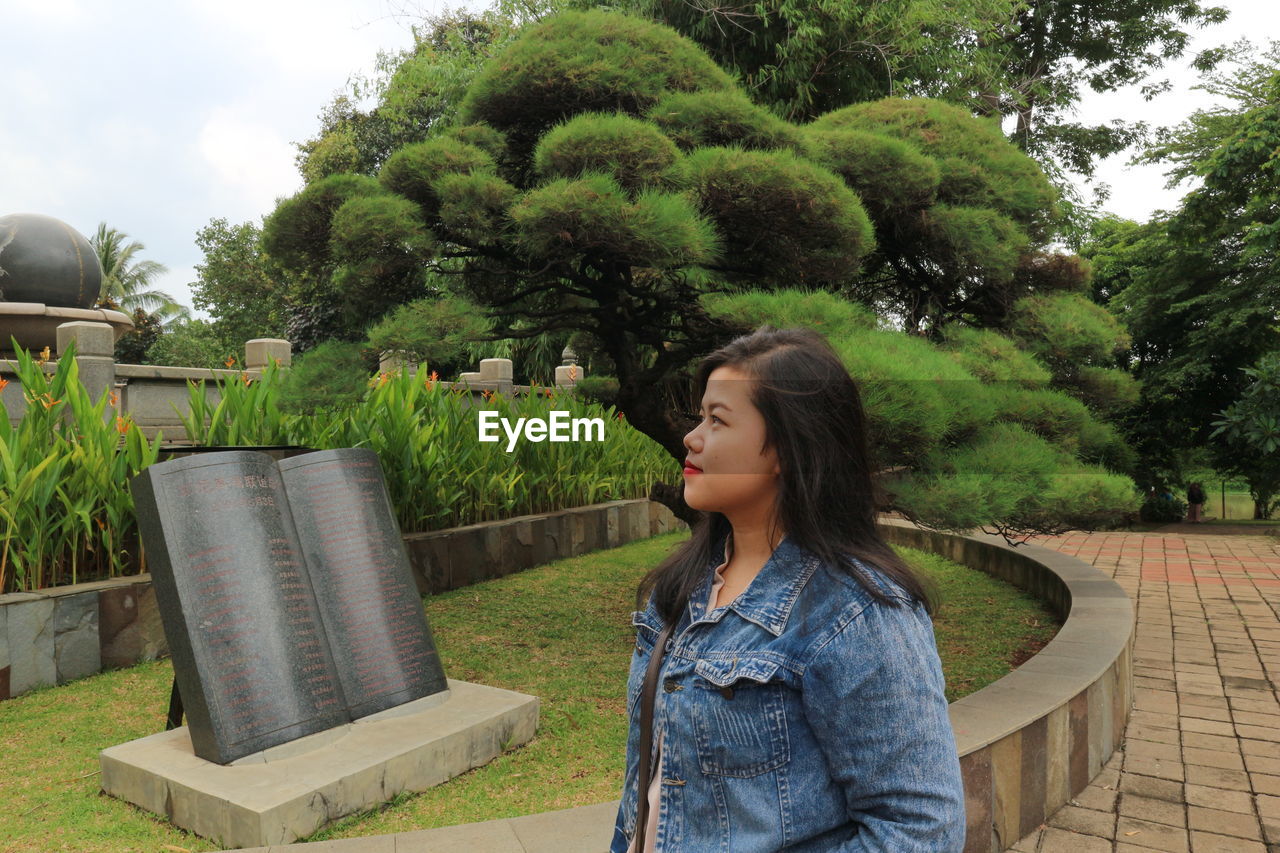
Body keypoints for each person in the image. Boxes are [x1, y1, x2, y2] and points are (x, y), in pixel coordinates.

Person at [610, 326, 966, 852]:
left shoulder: (857, 612)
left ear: (786, 445)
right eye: (698, 416)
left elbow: (920, 829)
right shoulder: (684, 583)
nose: (692, 437)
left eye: (718, 420)